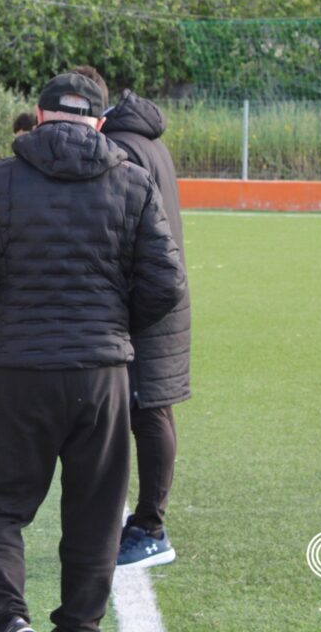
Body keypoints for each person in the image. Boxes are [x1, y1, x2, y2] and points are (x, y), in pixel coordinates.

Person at [0, 69, 187, 632]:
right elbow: (165, 283)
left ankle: (9, 621)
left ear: (39, 115)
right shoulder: (130, 180)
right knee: (95, 517)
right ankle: (79, 624)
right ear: (99, 123)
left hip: (18, 370)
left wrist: (3, 320)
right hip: (101, 374)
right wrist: (114, 327)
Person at [100, 87, 191, 569]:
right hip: (160, 291)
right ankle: (145, 522)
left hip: (147, 297)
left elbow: (121, 227)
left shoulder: (122, 145)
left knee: (149, 409)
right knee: (151, 407)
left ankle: (152, 528)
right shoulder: (148, 141)